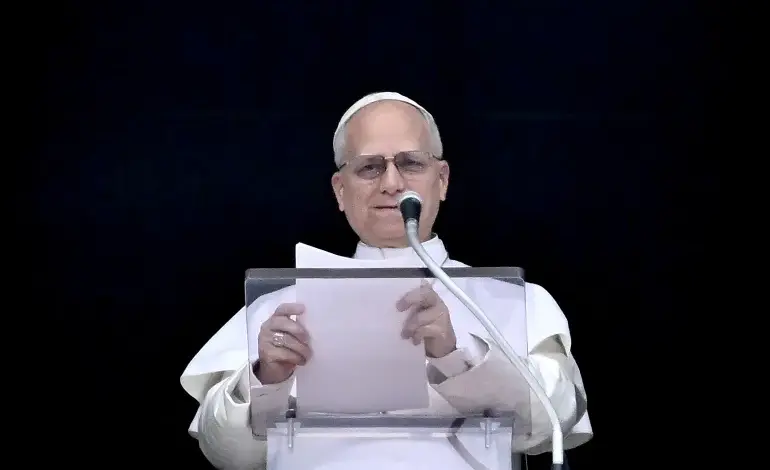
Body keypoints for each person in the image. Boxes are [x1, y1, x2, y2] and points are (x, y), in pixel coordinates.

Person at [180, 92, 593, 470]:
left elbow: (555, 422)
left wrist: (457, 355)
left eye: (411, 163)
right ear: (340, 191)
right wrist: (266, 377)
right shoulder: (277, 313)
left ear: (442, 180)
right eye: (370, 167)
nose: (392, 184)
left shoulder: (514, 301)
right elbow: (226, 454)